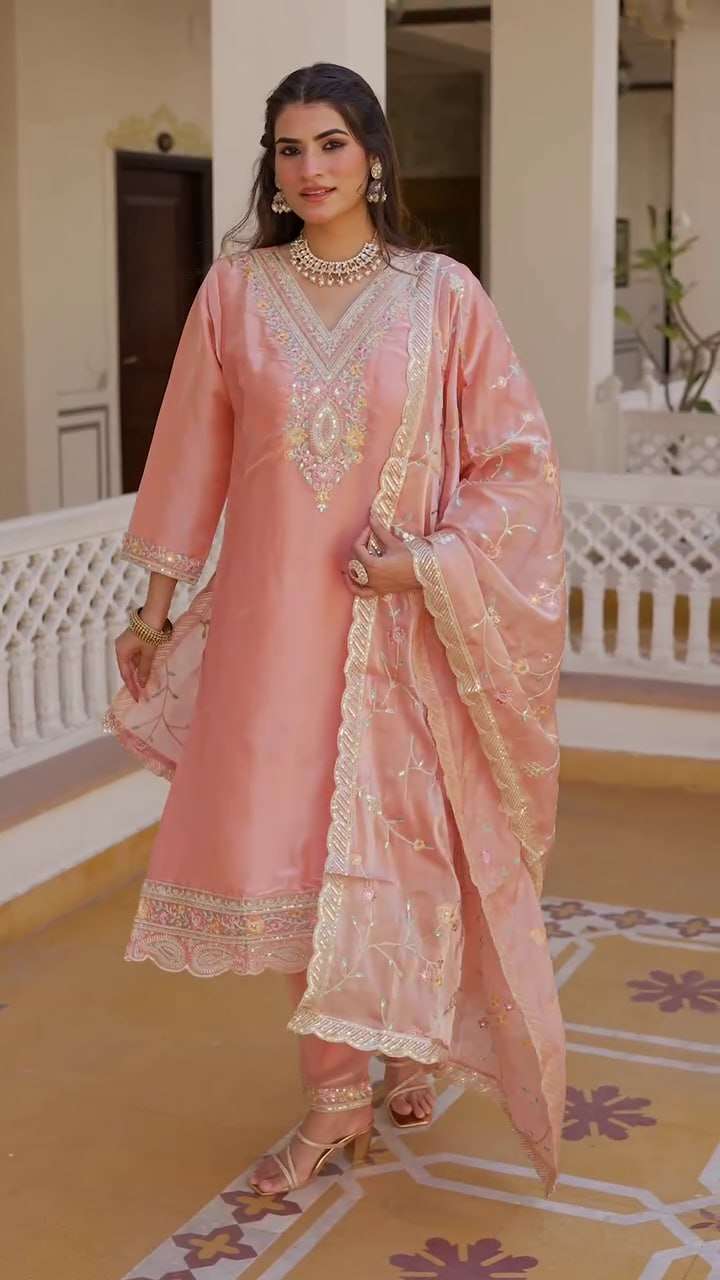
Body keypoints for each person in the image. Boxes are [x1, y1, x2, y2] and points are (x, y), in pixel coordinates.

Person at [104, 62, 567, 1199]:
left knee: (405, 845)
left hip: (400, 626)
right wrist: (154, 612)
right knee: (298, 859)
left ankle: (406, 1041)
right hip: (270, 637)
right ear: (272, 168)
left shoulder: (439, 295)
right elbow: (188, 457)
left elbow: (517, 462)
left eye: (331, 144)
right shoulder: (236, 293)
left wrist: (432, 563)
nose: (309, 169)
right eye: (289, 149)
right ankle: (335, 1094)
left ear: (373, 156)